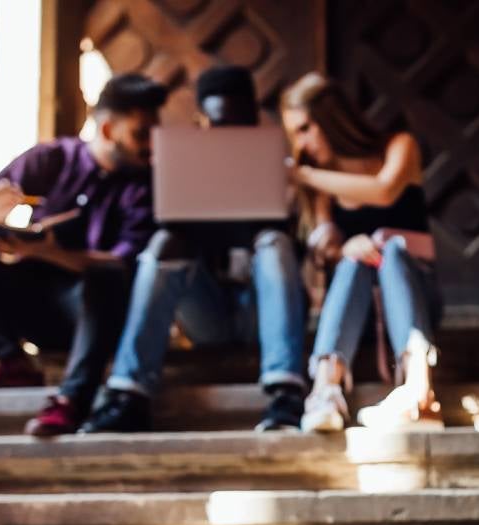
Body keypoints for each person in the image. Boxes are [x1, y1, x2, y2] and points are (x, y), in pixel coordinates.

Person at [0, 73, 167, 436]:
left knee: (103, 277)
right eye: (141, 134)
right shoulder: (50, 159)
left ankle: (72, 399)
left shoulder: (147, 185)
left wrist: (50, 252)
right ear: (106, 131)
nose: (151, 146)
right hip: (31, 300)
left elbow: (124, 262)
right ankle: (13, 362)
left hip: (97, 314)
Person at [80, 65, 308, 433]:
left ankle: (286, 393)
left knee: (274, 242)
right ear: (203, 122)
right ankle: (129, 394)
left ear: (254, 122)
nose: (229, 137)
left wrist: (282, 200)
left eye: (238, 127)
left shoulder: (286, 171)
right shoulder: (177, 170)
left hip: (261, 312)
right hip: (208, 314)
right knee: (164, 242)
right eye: (220, 127)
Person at [280, 72, 443, 433]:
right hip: (359, 311)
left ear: (332, 119)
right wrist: (343, 246)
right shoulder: (323, 180)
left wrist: (303, 176)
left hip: (415, 298)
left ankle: (420, 391)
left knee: (393, 252)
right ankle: (326, 388)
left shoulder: (399, 146)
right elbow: (329, 246)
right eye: (294, 133)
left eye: (305, 128)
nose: (301, 144)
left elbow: (384, 191)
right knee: (356, 259)